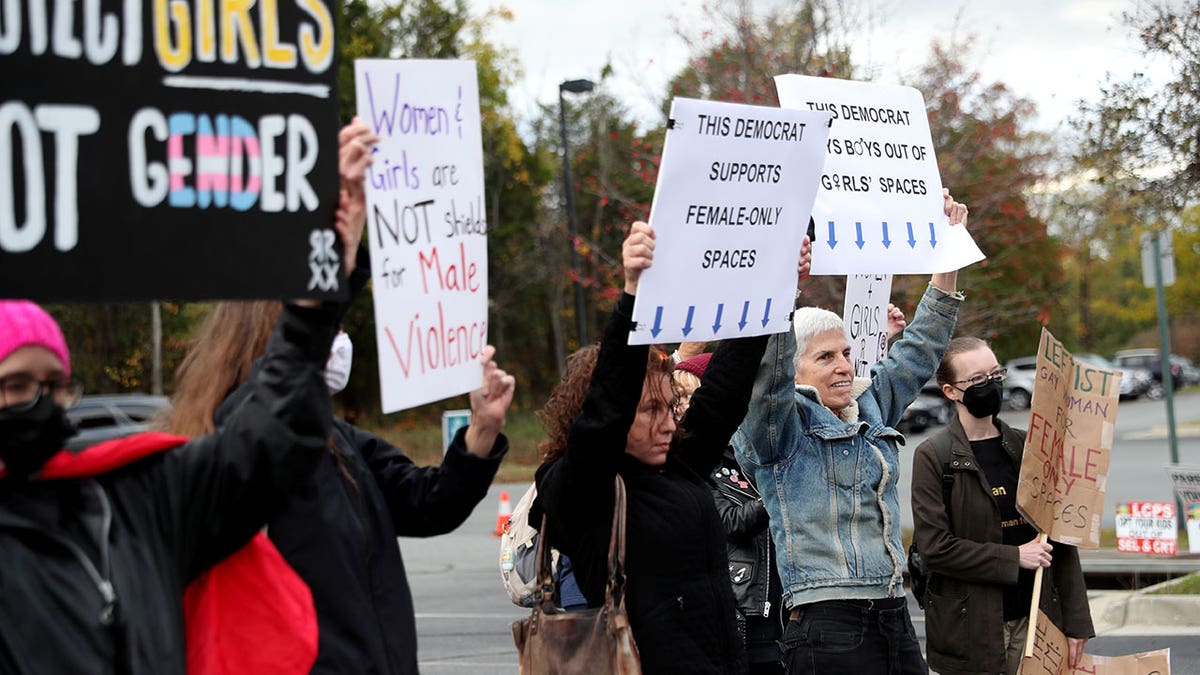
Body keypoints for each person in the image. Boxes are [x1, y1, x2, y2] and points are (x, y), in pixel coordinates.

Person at [164, 135, 515, 673]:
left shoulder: (339, 440)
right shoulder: (244, 434)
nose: (338, 340)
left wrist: (481, 432)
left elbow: (428, 503)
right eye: (326, 324)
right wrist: (339, 251)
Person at [734, 189, 973, 674]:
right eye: (825, 357)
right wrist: (784, 282)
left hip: (892, 610)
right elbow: (768, 374)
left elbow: (920, 349)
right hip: (827, 624)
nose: (845, 365)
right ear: (794, 370)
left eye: (845, 352)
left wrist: (949, 251)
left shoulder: (868, 404)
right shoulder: (779, 429)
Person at [533, 220, 783, 674]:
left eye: (671, 406)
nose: (669, 422)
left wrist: (773, 286)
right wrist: (634, 297)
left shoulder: (675, 465)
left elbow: (723, 395)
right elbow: (608, 406)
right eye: (651, 409)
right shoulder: (582, 487)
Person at [911, 337, 1093, 675]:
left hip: (1036, 621)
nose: (991, 385)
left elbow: (1059, 537)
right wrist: (1014, 557)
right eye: (978, 379)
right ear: (950, 391)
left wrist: (1077, 622)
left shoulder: (1028, 446)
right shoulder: (933, 456)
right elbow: (935, 548)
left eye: (996, 374)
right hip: (970, 632)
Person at [676, 352, 785, 675]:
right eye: (676, 397)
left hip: (785, 611)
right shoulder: (694, 464)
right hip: (742, 612)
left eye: (688, 395)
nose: (681, 406)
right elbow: (731, 522)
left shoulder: (758, 451)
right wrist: (778, 491)